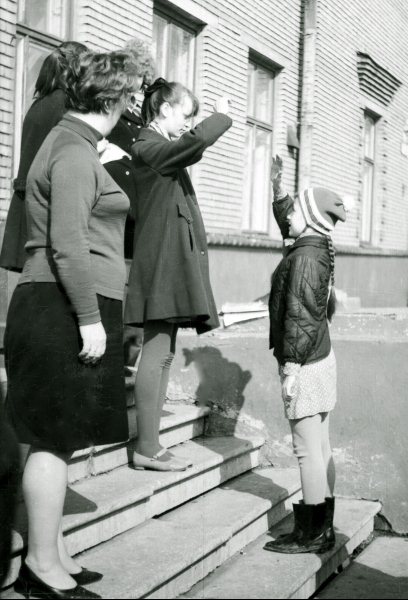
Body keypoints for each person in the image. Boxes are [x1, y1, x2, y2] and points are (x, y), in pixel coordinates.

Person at [4, 50, 140, 598]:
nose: (131, 107)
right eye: (129, 97)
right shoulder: (74, 152)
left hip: (62, 301)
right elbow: (67, 244)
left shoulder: (75, 145)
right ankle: (40, 567)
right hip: (62, 305)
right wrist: (90, 320)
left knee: (58, 440)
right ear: (112, 99)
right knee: (51, 440)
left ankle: (54, 552)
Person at [125, 78, 232, 471]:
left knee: (164, 354)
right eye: (186, 114)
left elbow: (187, 148)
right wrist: (221, 118)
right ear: (165, 108)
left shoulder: (158, 147)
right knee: (156, 354)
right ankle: (147, 447)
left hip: (168, 263)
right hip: (161, 265)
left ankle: (151, 444)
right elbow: (191, 145)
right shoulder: (148, 146)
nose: (189, 123)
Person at [265, 182, 353, 554]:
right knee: (320, 445)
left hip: (304, 362)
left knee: (306, 450)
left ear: (312, 219)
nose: (289, 216)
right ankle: (324, 528)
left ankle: (312, 533)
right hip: (321, 357)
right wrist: (279, 195)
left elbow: (299, 319)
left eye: (295, 210)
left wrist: (290, 369)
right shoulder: (317, 248)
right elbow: (294, 221)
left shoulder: (303, 258)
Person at [0, 41, 88, 273]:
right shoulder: (65, 106)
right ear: (77, 71)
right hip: (45, 214)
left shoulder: (41, 102)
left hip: (27, 209)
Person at [100, 38, 156, 372]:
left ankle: (128, 360)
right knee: (118, 290)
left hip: (139, 217)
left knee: (134, 291)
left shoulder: (139, 114)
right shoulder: (111, 115)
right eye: (138, 79)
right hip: (118, 217)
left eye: (144, 80)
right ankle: (116, 361)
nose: (141, 86)